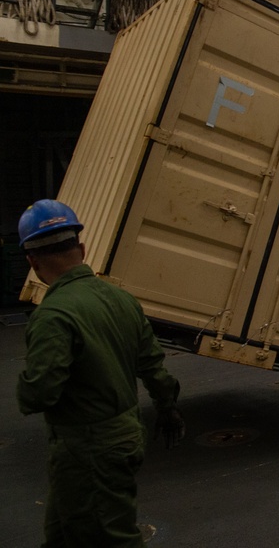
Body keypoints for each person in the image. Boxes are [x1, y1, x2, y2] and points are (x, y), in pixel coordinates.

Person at [15, 199, 186, 547]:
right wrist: (167, 408)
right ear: (81, 248)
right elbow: (153, 366)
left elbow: (38, 394)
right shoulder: (121, 300)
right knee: (62, 534)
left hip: (88, 450)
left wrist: (25, 383)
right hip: (121, 436)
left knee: (112, 538)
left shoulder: (53, 316)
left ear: (32, 263)